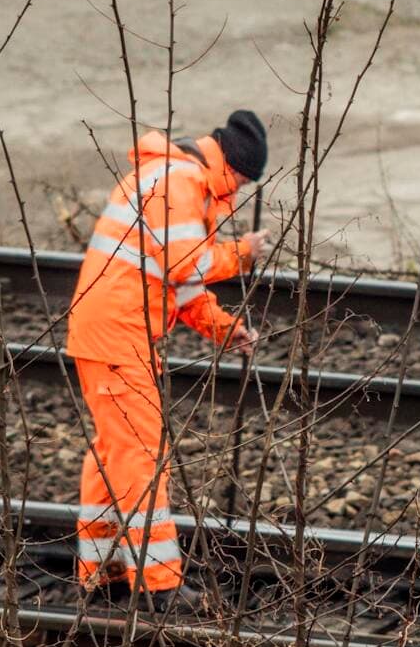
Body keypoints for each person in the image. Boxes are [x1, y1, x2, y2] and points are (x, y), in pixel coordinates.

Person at [65, 110, 270, 610]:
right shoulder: (179, 181)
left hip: (111, 329)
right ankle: (159, 585)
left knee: (115, 451)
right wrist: (241, 253)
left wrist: (226, 330)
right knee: (140, 454)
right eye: (240, 183)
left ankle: (103, 570)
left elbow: (184, 284)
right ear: (233, 168)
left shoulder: (179, 178)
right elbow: (188, 263)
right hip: (118, 331)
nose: (236, 196)